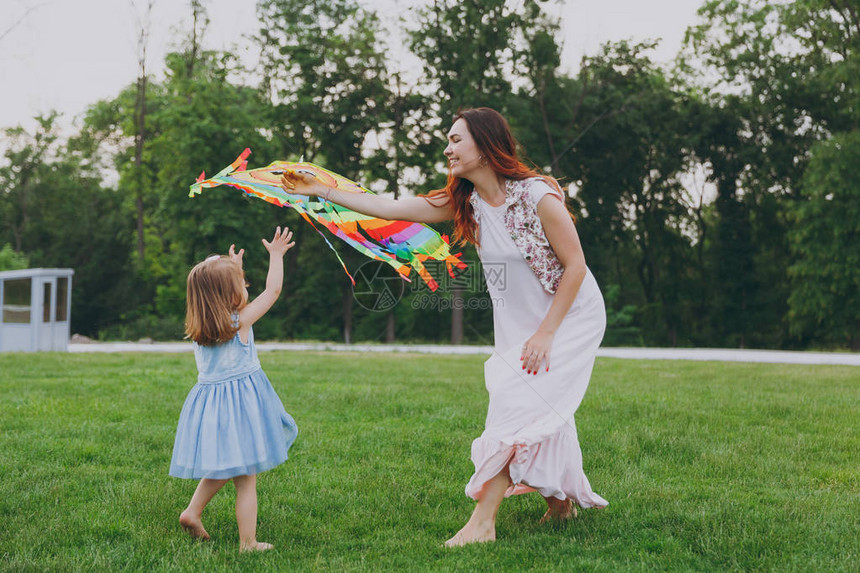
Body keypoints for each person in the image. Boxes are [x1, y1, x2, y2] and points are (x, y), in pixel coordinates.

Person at [281, 107, 607, 547]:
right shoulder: (465, 203)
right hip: (520, 322)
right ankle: (561, 502)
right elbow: (387, 206)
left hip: (570, 316)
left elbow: (576, 266)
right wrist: (320, 188)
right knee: (537, 401)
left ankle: (483, 523)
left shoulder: (537, 197)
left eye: (456, 140)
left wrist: (547, 333)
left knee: (517, 399)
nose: (447, 148)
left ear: (486, 145)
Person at [169, 227, 299, 552]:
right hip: (242, 410)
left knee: (223, 468)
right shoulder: (240, 322)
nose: (245, 285)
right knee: (246, 478)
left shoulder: (200, 330)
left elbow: (227, 292)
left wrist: (234, 269)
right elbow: (272, 291)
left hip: (212, 411)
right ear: (230, 294)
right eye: (240, 283)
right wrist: (276, 256)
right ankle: (248, 542)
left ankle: (192, 512)